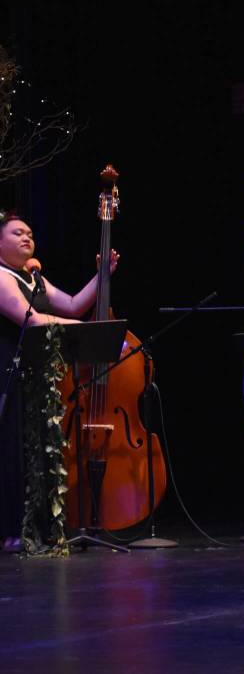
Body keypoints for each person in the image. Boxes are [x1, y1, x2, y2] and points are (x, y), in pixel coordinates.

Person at [0, 211, 119, 553]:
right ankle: (11, 530)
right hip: (9, 371)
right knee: (13, 449)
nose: (27, 238)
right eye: (17, 232)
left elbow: (72, 305)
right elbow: (33, 320)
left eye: (30, 233)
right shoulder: (2, 276)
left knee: (37, 449)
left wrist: (102, 277)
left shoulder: (33, 276)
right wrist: (85, 330)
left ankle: (37, 528)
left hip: (35, 375)